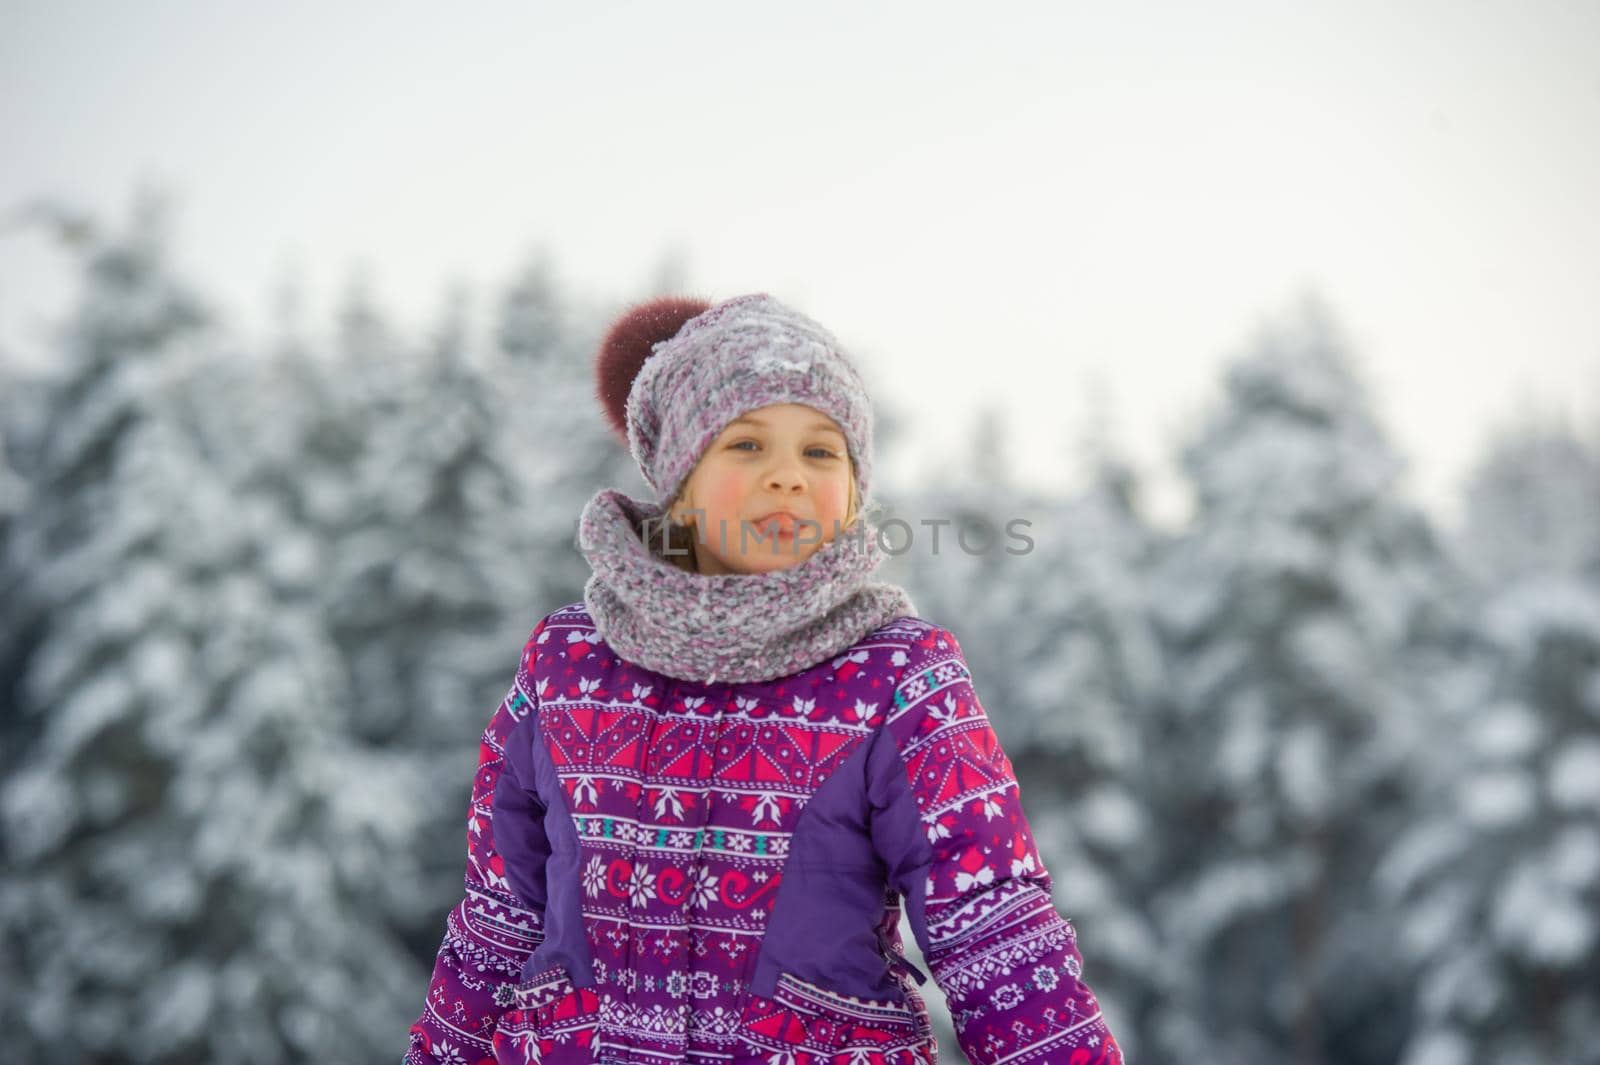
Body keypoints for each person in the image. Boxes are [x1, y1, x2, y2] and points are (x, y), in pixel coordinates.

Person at [405, 293, 1123, 1065]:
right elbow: (498, 917)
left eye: (821, 452)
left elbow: (996, 930)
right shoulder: (567, 667)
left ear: (854, 490)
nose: (787, 476)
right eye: (746, 445)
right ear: (679, 483)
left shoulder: (899, 678)